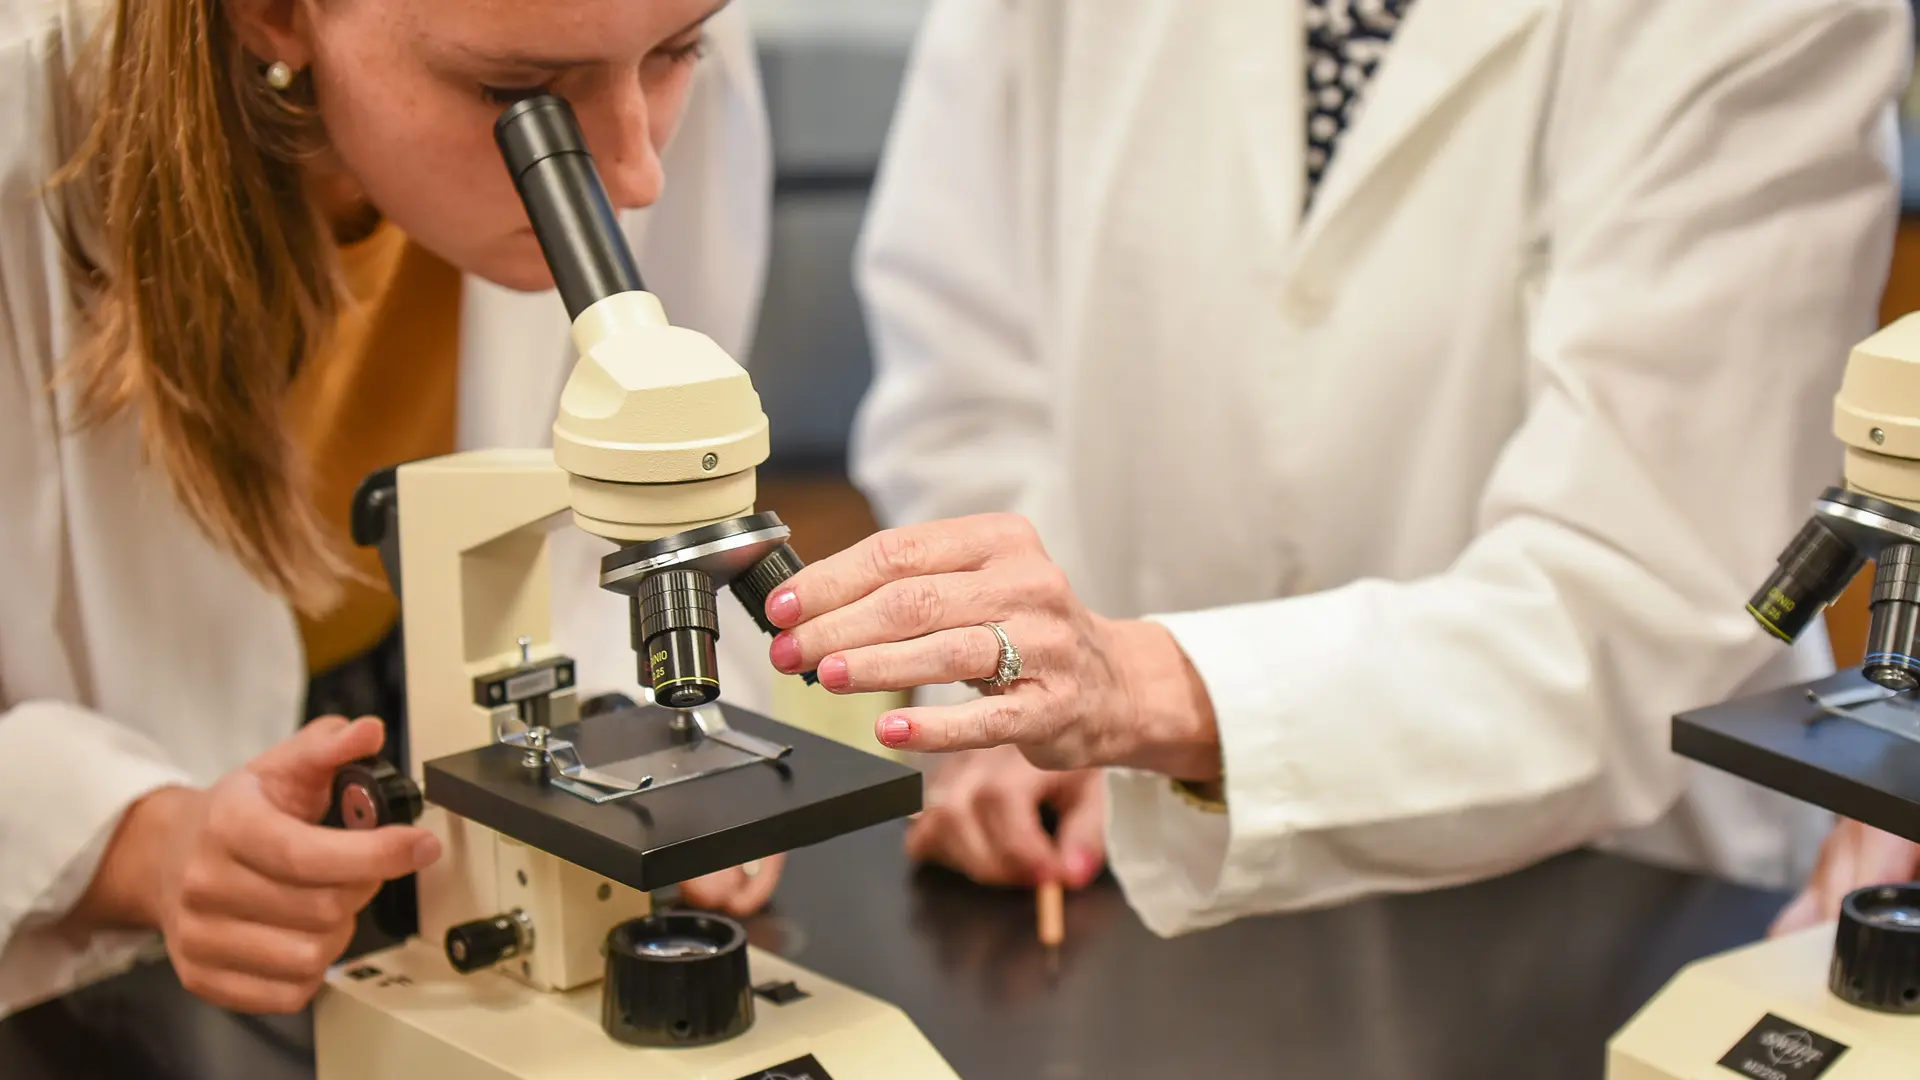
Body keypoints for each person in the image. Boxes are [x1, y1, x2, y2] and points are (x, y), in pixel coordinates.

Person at [753, 0, 1920, 935]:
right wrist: (1011, 697)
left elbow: (1637, 599)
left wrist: (1149, 692)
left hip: (1594, 899)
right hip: (1116, 874)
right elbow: (967, 373)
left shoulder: (1772, 19)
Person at [0, 0, 785, 1018]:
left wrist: (652, 751)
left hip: (448, 692)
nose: (638, 177)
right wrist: (141, 842)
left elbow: (632, 509)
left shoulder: (616, 39)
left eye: (681, 50)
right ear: (274, 17)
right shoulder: (22, 109)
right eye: (517, 94)